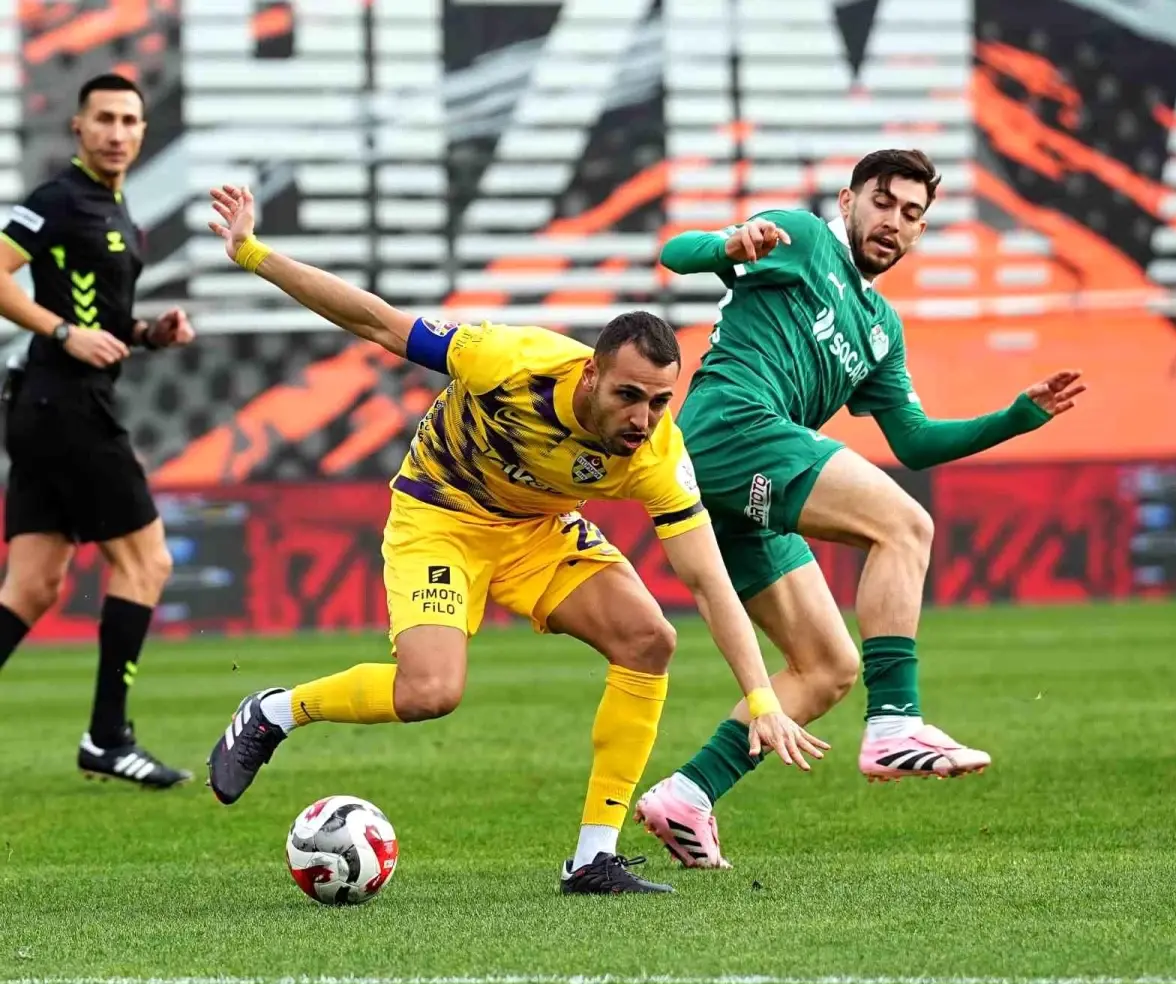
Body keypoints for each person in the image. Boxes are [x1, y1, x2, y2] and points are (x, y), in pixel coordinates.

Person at [202, 183, 828, 895]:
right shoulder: (508, 360)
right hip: (443, 512)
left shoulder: (655, 454)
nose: (643, 417)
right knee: (431, 691)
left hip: (538, 529)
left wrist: (763, 697)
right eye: (629, 396)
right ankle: (274, 711)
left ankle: (594, 856)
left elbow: (710, 581)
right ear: (591, 374)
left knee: (649, 638)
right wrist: (253, 252)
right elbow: (376, 322)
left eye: (659, 401)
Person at [634, 149, 1087, 869]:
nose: (895, 223)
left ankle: (688, 794)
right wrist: (730, 244)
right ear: (848, 202)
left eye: (912, 215)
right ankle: (896, 721)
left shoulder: (881, 327)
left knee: (827, 667)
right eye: (883, 202)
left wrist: (1016, 416)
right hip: (732, 429)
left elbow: (912, 440)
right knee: (906, 524)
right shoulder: (803, 238)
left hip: (747, 476)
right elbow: (675, 252)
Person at [0, 73, 195, 787]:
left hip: (45, 406)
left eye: (130, 120)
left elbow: (103, 323)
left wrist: (147, 332)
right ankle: (108, 737)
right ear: (78, 128)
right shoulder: (58, 199)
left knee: (30, 586)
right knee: (147, 563)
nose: (117, 132)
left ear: (143, 132)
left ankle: (107, 737)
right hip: (67, 406)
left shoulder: (114, 209)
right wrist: (61, 330)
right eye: (104, 118)